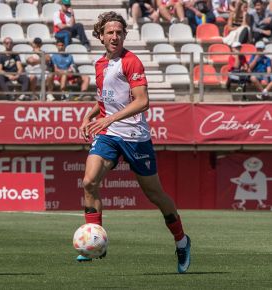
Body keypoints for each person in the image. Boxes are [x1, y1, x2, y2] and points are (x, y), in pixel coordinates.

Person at [77, 11, 191, 274]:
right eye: (110, 32)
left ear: (124, 35)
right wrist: (89, 116)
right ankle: (96, 243)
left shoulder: (132, 62)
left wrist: (108, 119)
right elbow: (105, 99)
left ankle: (182, 240)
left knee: (155, 194)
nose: (114, 36)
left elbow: (142, 102)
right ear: (100, 36)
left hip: (135, 137)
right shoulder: (99, 65)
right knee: (89, 182)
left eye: (119, 32)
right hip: (109, 135)